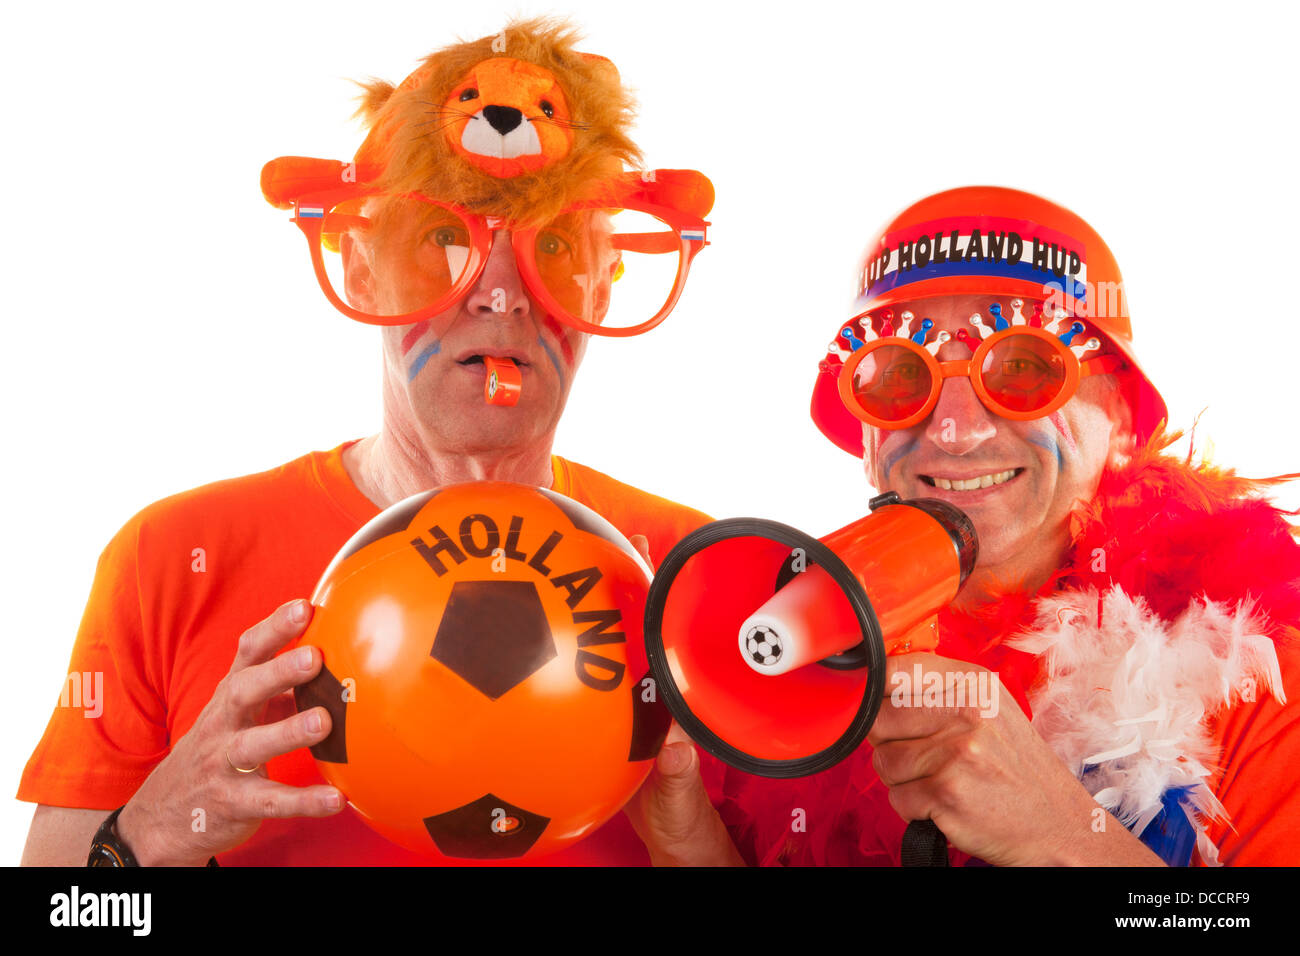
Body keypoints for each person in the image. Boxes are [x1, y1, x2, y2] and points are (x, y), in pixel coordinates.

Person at [18, 17, 741, 867]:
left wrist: (694, 845)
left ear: (604, 286)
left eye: (550, 247)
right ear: (361, 269)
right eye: (444, 242)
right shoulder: (171, 559)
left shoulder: (705, 577)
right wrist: (147, 834)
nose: (501, 297)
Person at [722, 185, 1300, 866]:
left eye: (1024, 368)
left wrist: (1058, 837)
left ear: (1118, 421)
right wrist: (684, 842)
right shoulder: (780, 667)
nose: (954, 431)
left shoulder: (1257, 673)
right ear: (867, 435)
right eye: (899, 375)